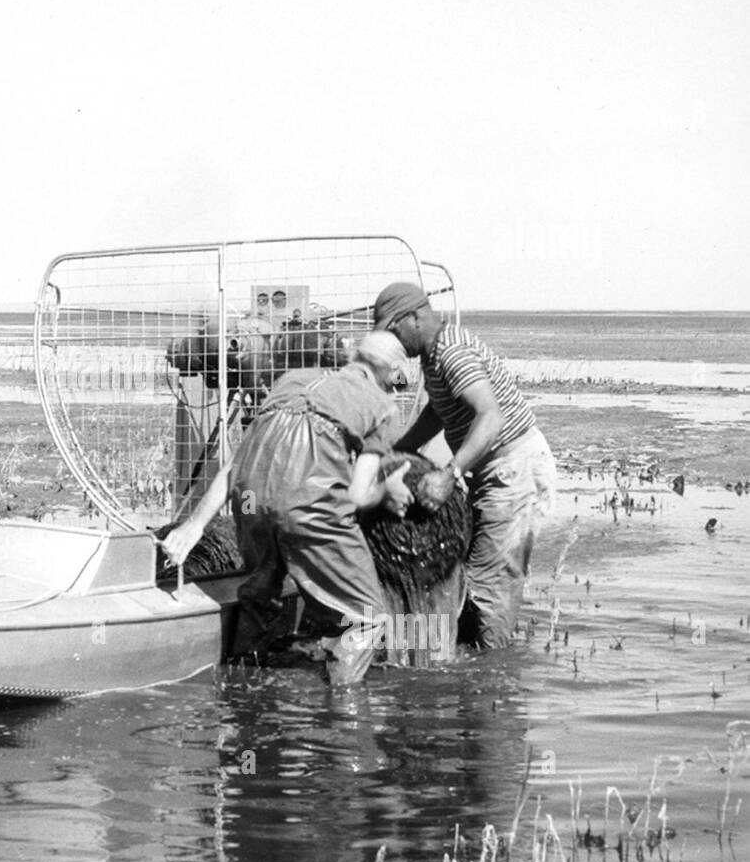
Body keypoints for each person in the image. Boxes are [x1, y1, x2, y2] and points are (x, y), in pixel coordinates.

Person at [162, 331, 414, 684]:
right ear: (392, 372)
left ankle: (241, 691)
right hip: (308, 505)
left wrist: (194, 525)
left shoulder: (291, 380)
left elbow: (237, 464)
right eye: (400, 377)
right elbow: (357, 496)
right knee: (366, 619)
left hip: (250, 502)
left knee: (259, 592)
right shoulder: (384, 407)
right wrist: (387, 489)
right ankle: (343, 717)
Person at [372, 282, 556, 649]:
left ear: (415, 317)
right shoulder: (434, 355)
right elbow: (438, 412)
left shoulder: (452, 352)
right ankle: (485, 668)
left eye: (394, 330)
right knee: (478, 577)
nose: (393, 342)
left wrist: (448, 473)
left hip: (514, 468)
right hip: (499, 469)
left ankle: (492, 683)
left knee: (490, 586)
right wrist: (394, 449)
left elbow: (490, 417)